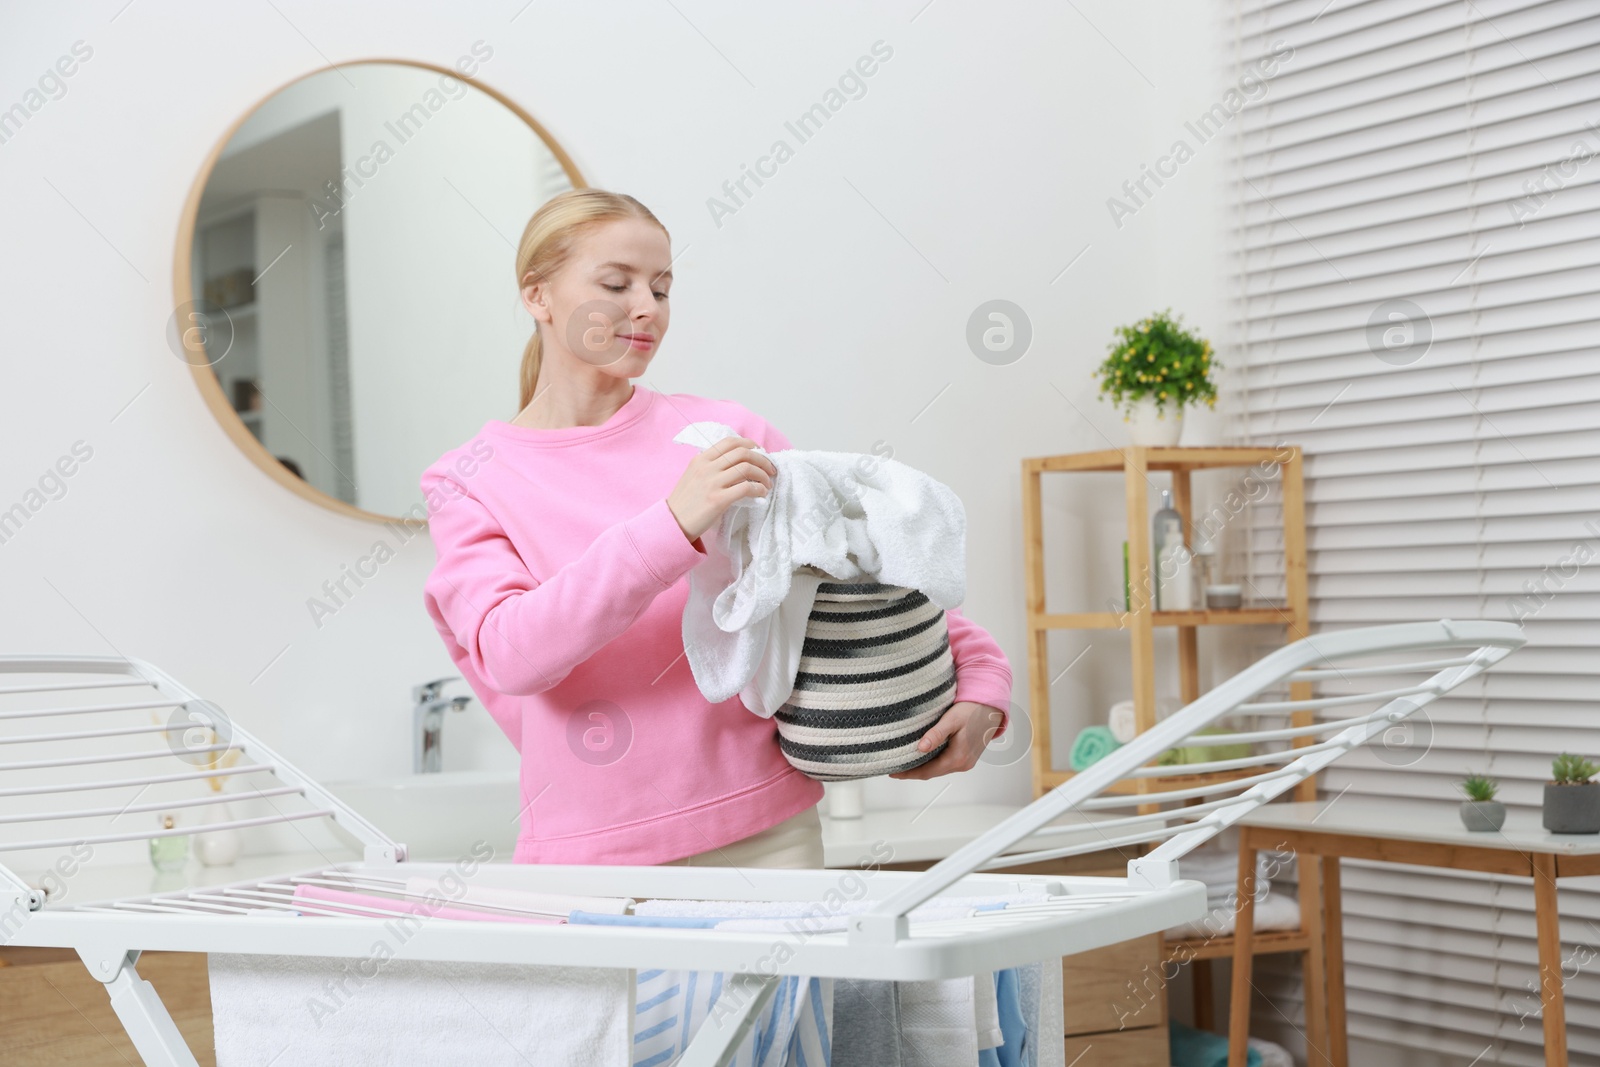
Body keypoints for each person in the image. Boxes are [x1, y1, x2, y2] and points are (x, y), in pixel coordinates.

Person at [420, 188, 1012, 870]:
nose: (646, 307)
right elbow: (513, 654)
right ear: (538, 296)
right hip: (589, 857)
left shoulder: (723, 435)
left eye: (662, 287)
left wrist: (983, 685)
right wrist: (672, 523)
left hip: (767, 833)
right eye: (616, 283)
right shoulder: (469, 478)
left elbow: (850, 576)